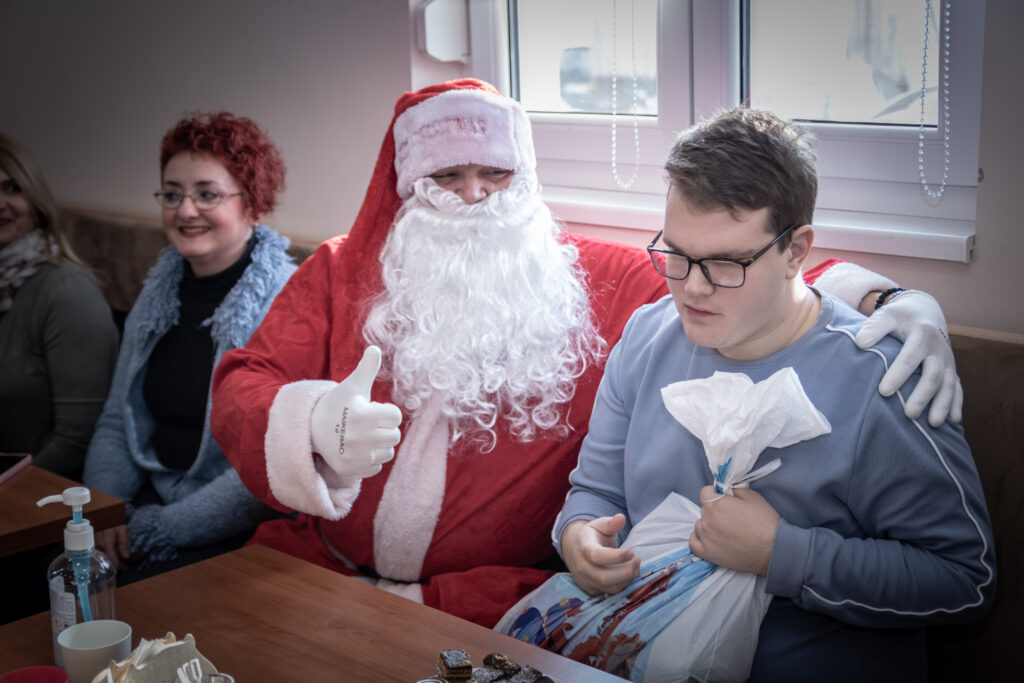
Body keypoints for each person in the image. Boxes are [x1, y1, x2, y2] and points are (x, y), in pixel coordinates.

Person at [209, 79, 963, 628]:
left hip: (483, 603)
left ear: (525, 180)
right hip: (322, 571)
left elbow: (746, 286)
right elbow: (244, 380)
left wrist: (892, 300)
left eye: (495, 174)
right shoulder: (341, 270)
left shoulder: (581, 281)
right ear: (408, 187)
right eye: (446, 176)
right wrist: (314, 422)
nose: (474, 196)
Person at [552, 107, 994, 681]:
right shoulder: (645, 337)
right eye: (677, 254)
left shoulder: (882, 380)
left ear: (796, 251)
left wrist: (780, 552)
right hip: (639, 650)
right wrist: (578, 535)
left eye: (727, 263)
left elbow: (963, 581)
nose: (692, 288)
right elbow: (594, 490)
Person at [82, 112, 296, 581]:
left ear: (253, 204)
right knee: (43, 586)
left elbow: (271, 466)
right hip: (149, 500)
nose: (185, 210)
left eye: (207, 194)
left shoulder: (288, 302)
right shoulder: (158, 291)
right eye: (172, 194)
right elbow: (118, 422)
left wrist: (161, 529)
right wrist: (105, 513)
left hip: (236, 528)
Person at [0, 133, 118, 480]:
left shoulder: (66, 291)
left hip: (41, 495)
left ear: (34, 199)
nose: (0, 203)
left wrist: (9, 496)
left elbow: (77, 439)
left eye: (12, 188)